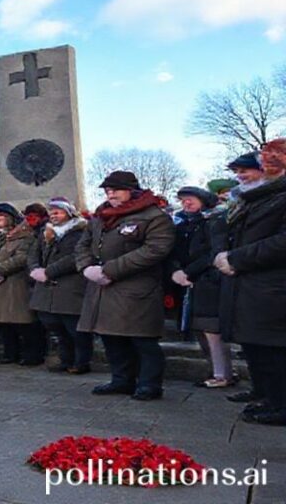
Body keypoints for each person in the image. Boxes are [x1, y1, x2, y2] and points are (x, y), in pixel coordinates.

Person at [76, 170, 175, 401]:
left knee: (142, 339)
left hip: (136, 287)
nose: (111, 195)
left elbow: (156, 249)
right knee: (111, 337)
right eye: (108, 191)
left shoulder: (153, 216)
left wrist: (110, 270)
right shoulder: (101, 216)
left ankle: (149, 384)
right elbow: (83, 245)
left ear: (132, 190)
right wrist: (86, 268)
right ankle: (121, 380)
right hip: (101, 286)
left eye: (116, 190)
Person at [214, 140, 286, 425]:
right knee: (258, 348)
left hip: (273, 286)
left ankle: (281, 405)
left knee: (275, 350)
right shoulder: (252, 198)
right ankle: (269, 398)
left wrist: (237, 258)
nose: (242, 176)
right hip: (250, 286)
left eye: (250, 169)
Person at [170, 186, 234, 388]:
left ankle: (222, 374)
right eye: (182, 200)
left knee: (212, 330)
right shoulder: (183, 224)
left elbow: (213, 252)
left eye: (190, 199)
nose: (186, 203)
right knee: (200, 329)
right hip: (189, 282)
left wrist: (188, 272)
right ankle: (217, 371)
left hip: (208, 281)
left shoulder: (213, 221)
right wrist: (177, 271)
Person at [28, 198, 92, 374]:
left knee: (74, 329)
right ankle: (66, 359)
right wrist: (35, 269)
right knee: (56, 327)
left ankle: (81, 361)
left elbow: (74, 257)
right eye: (51, 212)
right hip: (46, 287)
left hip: (70, 287)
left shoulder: (81, 231)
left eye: (58, 211)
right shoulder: (45, 232)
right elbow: (33, 253)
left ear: (69, 212)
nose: (53, 215)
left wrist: (48, 271)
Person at [0, 203, 38, 365]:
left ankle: (30, 354)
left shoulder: (25, 235)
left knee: (19, 321)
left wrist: (0, 270)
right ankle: (9, 353)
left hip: (15, 282)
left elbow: (22, 257)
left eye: (0, 216)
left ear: (10, 217)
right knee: (0, 320)